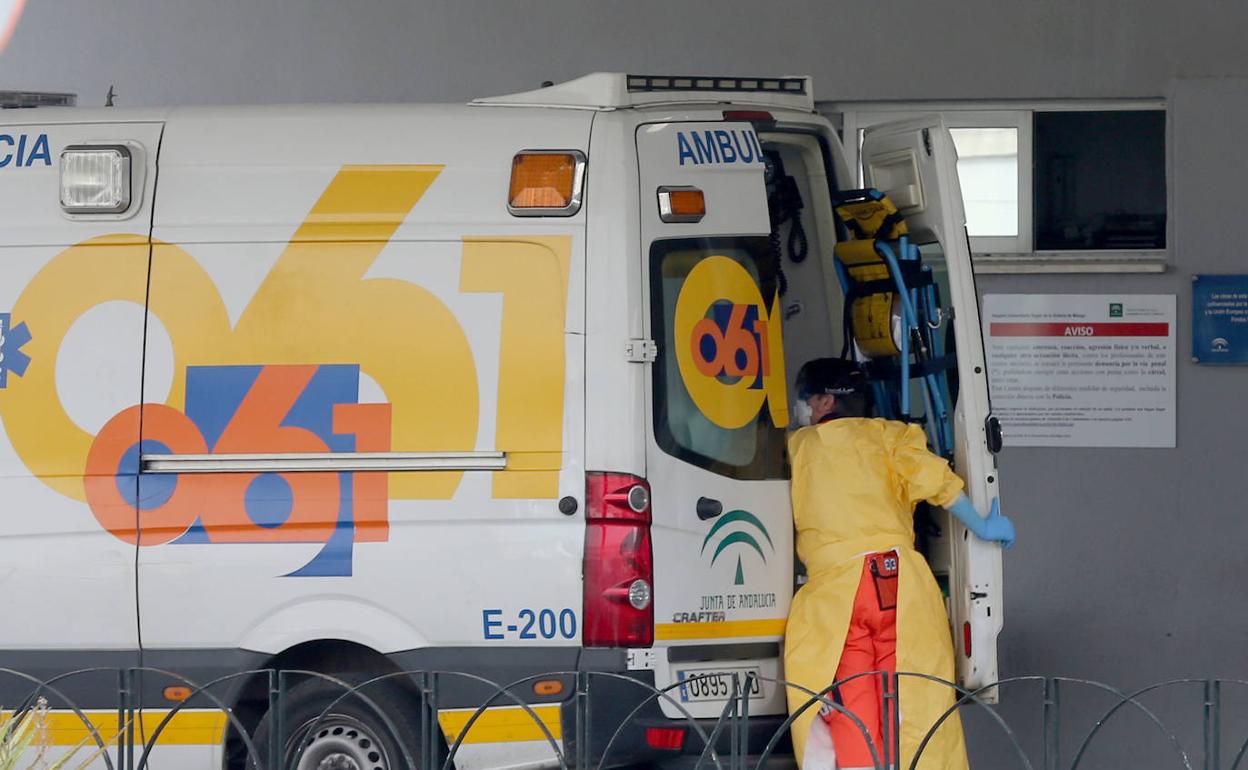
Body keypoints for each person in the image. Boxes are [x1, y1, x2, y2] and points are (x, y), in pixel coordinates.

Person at [784, 358, 1015, 770]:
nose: (802, 407)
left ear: (824, 402)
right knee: (909, 696)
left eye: (807, 399)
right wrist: (982, 525)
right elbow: (937, 482)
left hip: (838, 593)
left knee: (851, 699)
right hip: (899, 583)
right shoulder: (891, 436)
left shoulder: (800, 447)